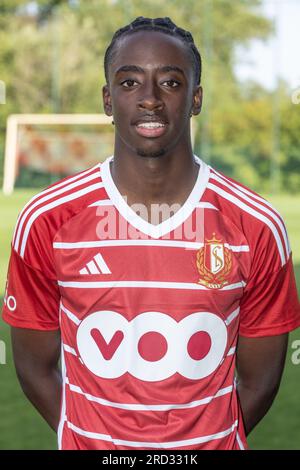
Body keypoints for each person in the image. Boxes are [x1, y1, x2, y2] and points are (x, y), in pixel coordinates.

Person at [2, 16, 300, 451]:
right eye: (129, 83)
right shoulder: (46, 220)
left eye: (171, 83)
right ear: (107, 99)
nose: (150, 100)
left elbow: (260, 381)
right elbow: (34, 365)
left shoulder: (256, 225)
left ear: (195, 99)